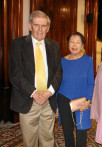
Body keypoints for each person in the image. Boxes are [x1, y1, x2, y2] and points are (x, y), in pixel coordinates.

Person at [9, 10, 62, 146]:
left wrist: (49, 92)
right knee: (29, 141)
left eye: (43, 25)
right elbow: (15, 74)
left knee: (48, 139)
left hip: (48, 100)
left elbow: (58, 72)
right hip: (28, 100)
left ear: (48, 27)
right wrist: (34, 93)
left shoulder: (54, 46)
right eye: (36, 25)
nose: (40, 29)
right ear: (29, 26)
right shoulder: (18, 44)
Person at [57, 32, 94, 147]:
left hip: (81, 100)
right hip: (63, 99)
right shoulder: (61, 61)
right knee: (67, 132)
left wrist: (88, 101)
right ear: (68, 44)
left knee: (81, 131)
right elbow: (57, 84)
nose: (74, 45)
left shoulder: (88, 60)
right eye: (72, 41)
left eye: (78, 42)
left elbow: (90, 83)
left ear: (82, 45)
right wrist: (57, 107)